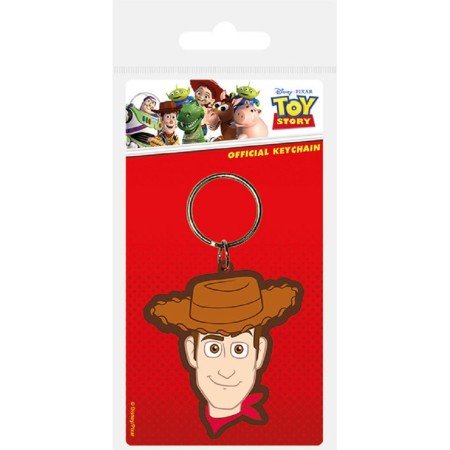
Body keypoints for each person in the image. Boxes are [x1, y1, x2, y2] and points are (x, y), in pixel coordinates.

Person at [144, 270, 303, 438]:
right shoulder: (167, 421)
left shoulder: (289, 423)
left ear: (259, 353)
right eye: (214, 349)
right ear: (191, 352)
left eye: (239, 349)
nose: (226, 370)